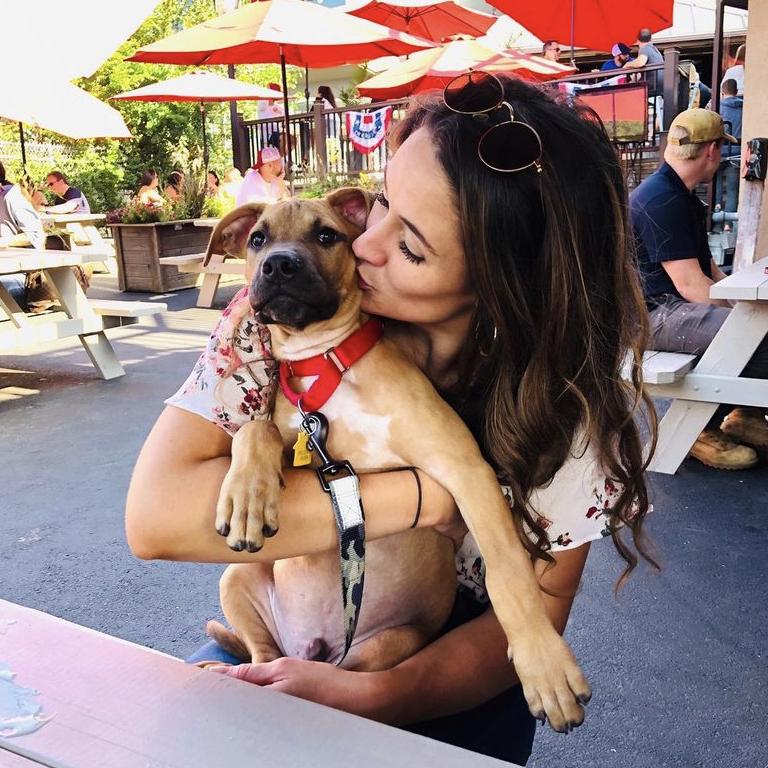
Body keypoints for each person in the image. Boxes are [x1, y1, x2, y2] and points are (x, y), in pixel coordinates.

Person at [126, 73, 657, 765]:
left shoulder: (564, 405)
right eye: (379, 206)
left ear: (501, 285)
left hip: (445, 653)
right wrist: (420, 497)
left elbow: (534, 618)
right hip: (287, 619)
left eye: (410, 247)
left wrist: (374, 694)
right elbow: (154, 520)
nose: (364, 244)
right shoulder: (280, 317)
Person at [630, 107, 768, 469]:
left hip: (670, 307)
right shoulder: (662, 200)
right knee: (755, 338)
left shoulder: (678, 194)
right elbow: (692, 286)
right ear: (712, 150)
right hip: (652, 315)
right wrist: (744, 319)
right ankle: (698, 433)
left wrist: (746, 309)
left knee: (756, 329)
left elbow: (710, 273)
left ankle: (745, 415)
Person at [625, 28, 664, 130]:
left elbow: (640, 62)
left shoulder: (644, 48)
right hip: (661, 88)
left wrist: (628, 64)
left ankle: (634, 129)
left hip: (652, 88)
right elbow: (642, 71)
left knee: (626, 99)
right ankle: (651, 129)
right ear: (651, 39)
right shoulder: (656, 51)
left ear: (637, 41)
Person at [717, 78, 743, 213]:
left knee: (716, 185)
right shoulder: (744, 108)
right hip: (737, 152)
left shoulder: (716, 107)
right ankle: (728, 222)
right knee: (732, 190)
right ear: (736, 91)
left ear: (722, 91)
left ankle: (716, 210)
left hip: (719, 151)